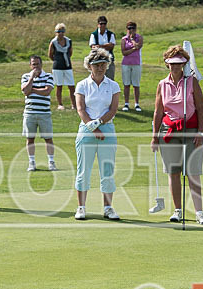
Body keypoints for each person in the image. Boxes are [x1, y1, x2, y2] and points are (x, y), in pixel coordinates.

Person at [151, 45, 203, 225]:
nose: (175, 67)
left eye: (179, 63)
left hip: (191, 130)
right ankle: (177, 210)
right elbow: (158, 112)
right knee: (173, 172)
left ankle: (199, 212)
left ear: (184, 63)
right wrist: (154, 136)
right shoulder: (162, 84)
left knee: (193, 172)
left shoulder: (191, 82)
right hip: (168, 132)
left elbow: (200, 108)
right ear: (167, 64)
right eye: (172, 63)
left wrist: (200, 131)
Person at [73, 48, 121, 221]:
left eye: (103, 64)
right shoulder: (82, 85)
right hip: (86, 129)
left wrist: (99, 124)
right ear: (89, 66)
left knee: (107, 169)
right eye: (96, 65)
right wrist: (92, 127)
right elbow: (80, 109)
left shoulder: (113, 86)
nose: (100, 68)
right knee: (83, 169)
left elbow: (113, 109)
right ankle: (81, 207)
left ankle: (108, 208)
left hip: (106, 129)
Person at [21, 55, 56, 171]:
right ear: (30, 65)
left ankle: (51, 162)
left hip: (44, 113)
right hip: (30, 113)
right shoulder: (25, 76)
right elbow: (25, 91)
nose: (36, 67)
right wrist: (31, 79)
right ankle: (31, 162)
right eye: (34, 64)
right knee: (30, 138)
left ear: (42, 64)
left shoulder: (49, 76)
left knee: (48, 138)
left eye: (38, 64)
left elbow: (47, 91)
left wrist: (32, 90)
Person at [48, 23, 76, 110]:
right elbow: (50, 55)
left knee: (71, 86)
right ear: (55, 32)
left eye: (62, 31)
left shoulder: (69, 41)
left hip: (67, 66)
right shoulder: (53, 42)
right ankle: (60, 104)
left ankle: (74, 104)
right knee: (59, 86)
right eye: (58, 31)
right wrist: (57, 60)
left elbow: (70, 53)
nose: (60, 33)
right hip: (57, 66)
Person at [120, 21, 143, 112]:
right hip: (126, 64)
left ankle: (137, 104)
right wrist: (133, 49)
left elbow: (139, 46)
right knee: (126, 84)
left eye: (133, 28)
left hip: (136, 63)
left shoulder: (139, 38)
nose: (131, 30)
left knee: (136, 84)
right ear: (127, 29)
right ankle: (126, 103)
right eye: (129, 28)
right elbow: (124, 52)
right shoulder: (124, 39)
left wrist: (133, 40)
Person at [89, 16, 115, 81]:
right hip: (97, 61)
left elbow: (111, 46)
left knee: (110, 80)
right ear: (98, 24)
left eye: (104, 24)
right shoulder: (94, 34)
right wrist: (106, 45)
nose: (103, 25)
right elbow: (93, 47)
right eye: (101, 24)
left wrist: (99, 46)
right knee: (97, 79)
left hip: (109, 60)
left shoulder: (110, 34)